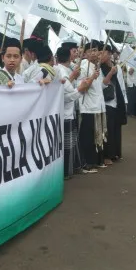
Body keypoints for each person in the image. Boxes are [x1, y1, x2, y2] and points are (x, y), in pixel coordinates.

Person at [55, 46, 85, 178]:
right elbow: (67, 94)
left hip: (70, 111)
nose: (76, 53)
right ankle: (66, 171)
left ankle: (73, 166)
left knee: (72, 142)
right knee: (66, 144)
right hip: (65, 113)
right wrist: (81, 89)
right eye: (73, 52)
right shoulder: (61, 71)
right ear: (68, 56)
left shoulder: (68, 68)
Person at [77, 40, 104, 173]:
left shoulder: (96, 66)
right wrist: (92, 77)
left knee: (95, 135)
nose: (94, 53)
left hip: (97, 106)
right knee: (87, 136)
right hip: (87, 107)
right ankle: (86, 163)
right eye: (91, 50)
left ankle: (94, 161)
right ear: (85, 53)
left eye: (96, 50)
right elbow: (82, 88)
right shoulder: (84, 66)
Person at [100, 44, 127, 165]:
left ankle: (115, 152)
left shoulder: (117, 67)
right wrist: (110, 73)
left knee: (116, 127)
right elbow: (103, 83)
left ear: (110, 54)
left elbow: (121, 84)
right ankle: (107, 155)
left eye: (103, 52)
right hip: (106, 101)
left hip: (117, 100)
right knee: (108, 129)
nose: (101, 55)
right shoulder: (99, 67)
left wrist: (124, 100)